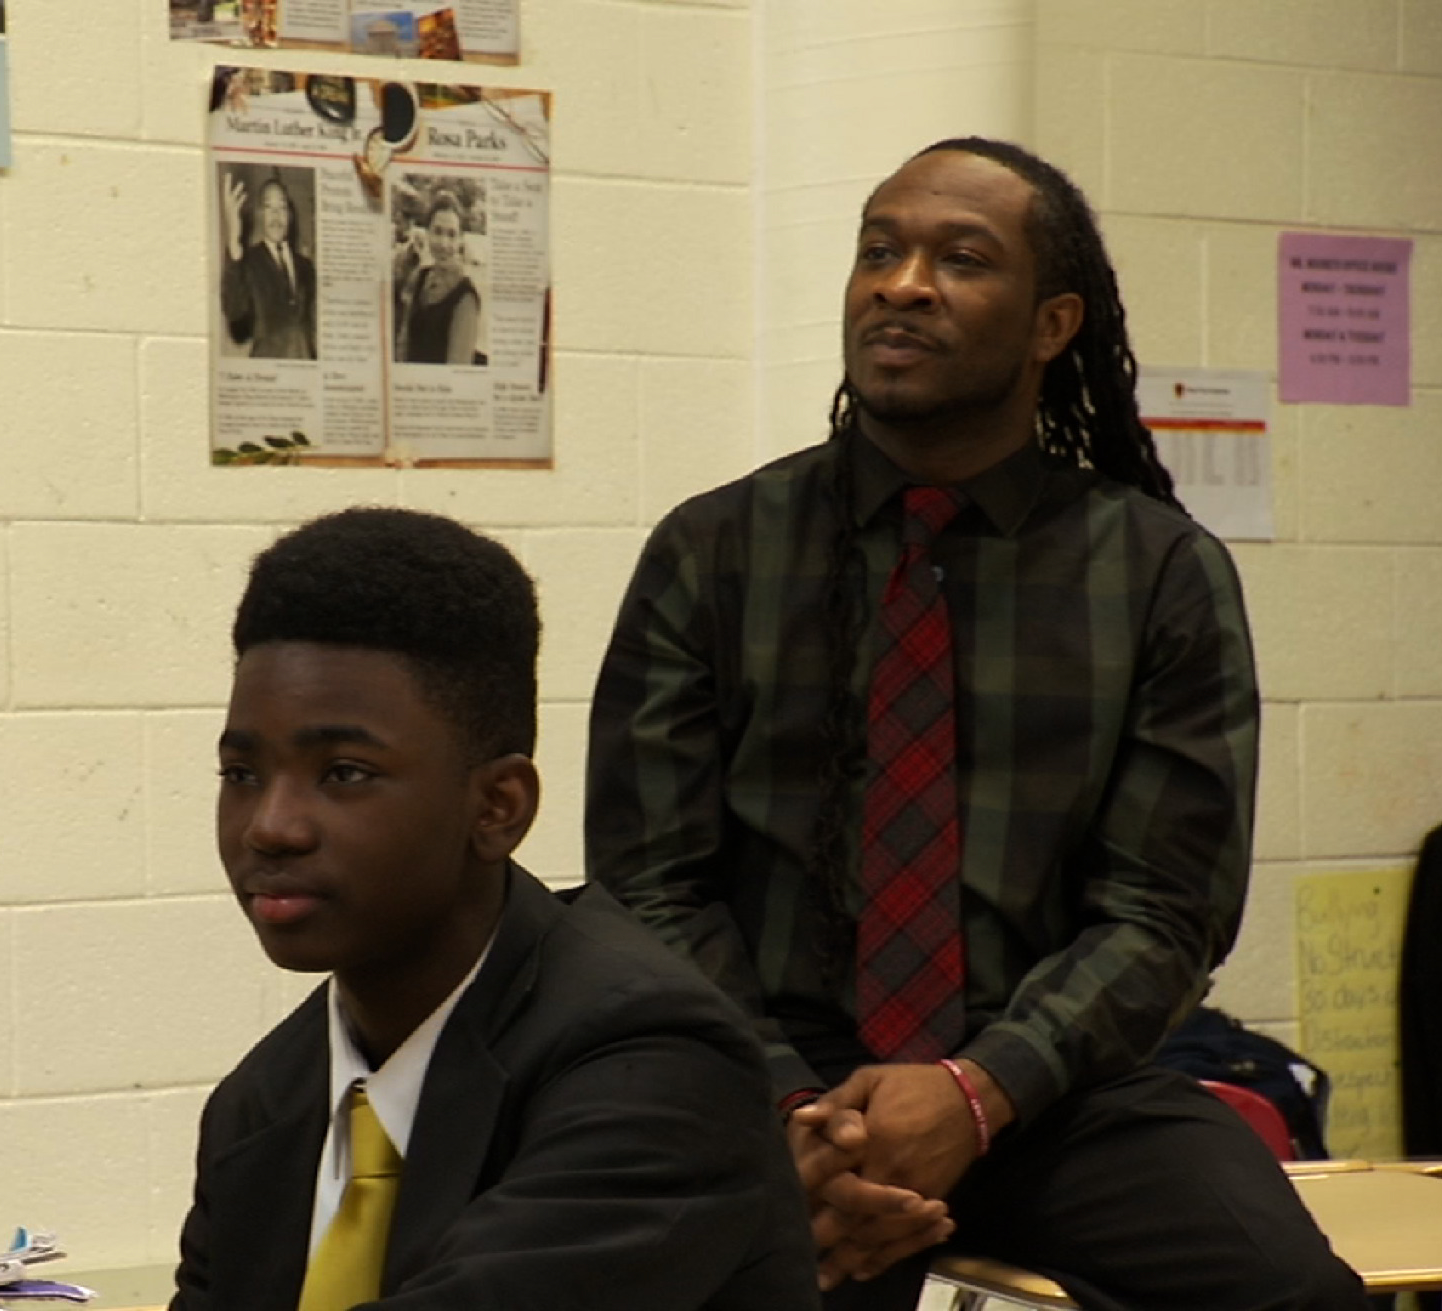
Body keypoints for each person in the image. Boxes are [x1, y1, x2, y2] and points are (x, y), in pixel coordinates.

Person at [585, 138, 1367, 1311]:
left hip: (1047, 1086)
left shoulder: (1155, 573)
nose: (901, 284)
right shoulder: (713, 552)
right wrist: (797, 1114)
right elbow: (647, 885)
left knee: (1287, 1292)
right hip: (761, 1082)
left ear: (1052, 324)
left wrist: (972, 1092)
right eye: (877, 252)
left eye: (958, 259)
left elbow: (1164, 912)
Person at [172, 508, 818, 1310]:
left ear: (498, 807)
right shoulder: (263, 1103)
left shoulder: (651, 1061)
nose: (271, 825)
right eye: (241, 774)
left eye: (342, 772)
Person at [219, 171, 319, 361]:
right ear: (260, 215)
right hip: (269, 376)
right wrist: (233, 239)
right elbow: (234, 311)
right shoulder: (248, 261)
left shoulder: (306, 267)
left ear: (289, 215)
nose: (276, 215)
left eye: (281, 207)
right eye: (269, 207)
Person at [394, 190, 481, 365]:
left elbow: (458, 369)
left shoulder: (466, 296)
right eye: (437, 231)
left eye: (451, 234)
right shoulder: (420, 277)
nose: (443, 243)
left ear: (461, 240)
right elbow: (403, 344)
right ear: (427, 233)